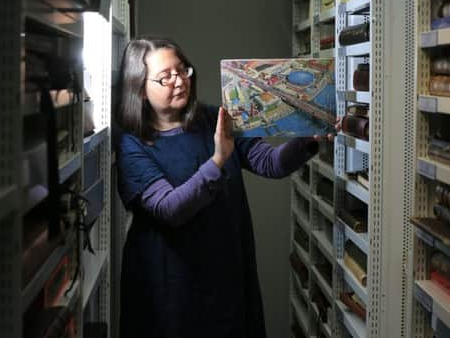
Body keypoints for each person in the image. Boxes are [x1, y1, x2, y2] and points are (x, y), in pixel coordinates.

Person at [115, 36, 336, 338]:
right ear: (139, 90)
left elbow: (270, 163)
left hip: (224, 273)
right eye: (165, 77)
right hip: (169, 287)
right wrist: (218, 159)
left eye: (182, 70)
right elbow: (169, 209)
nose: (179, 81)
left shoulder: (212, 118)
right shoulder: (132, 144)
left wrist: (309, 138)